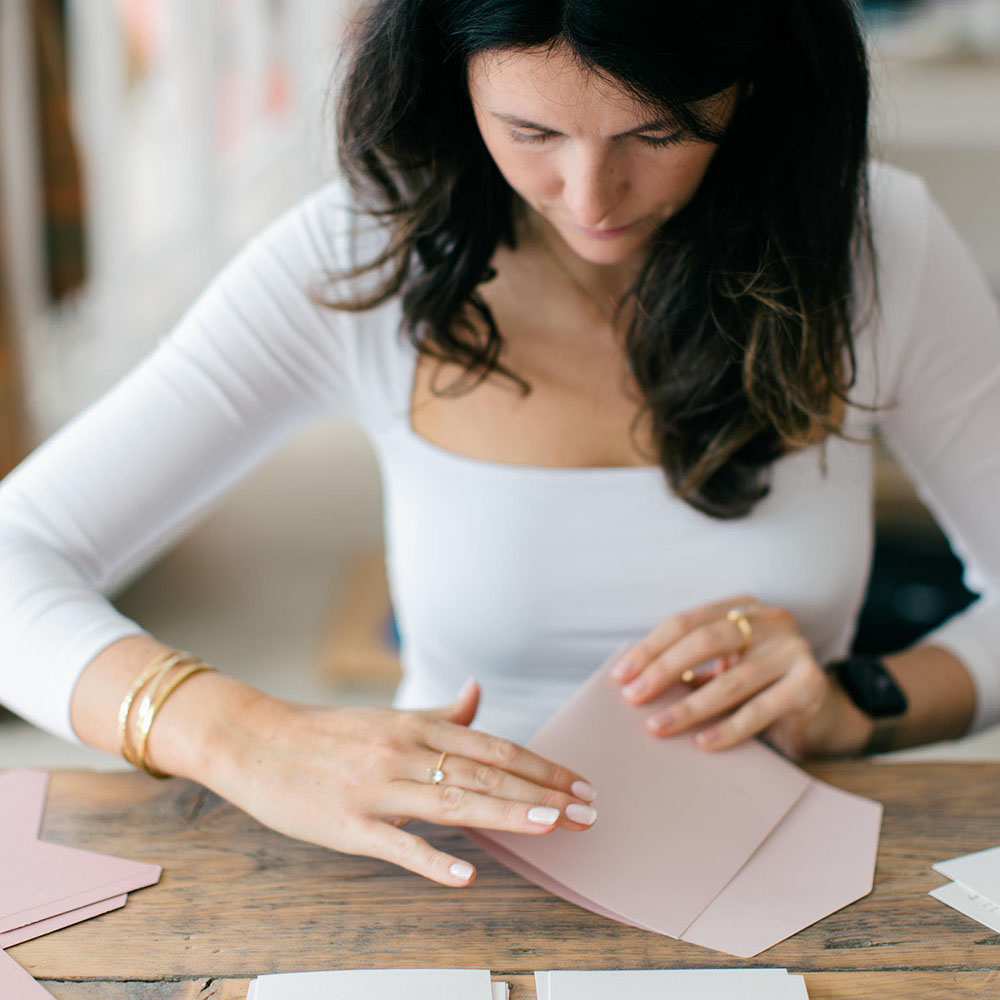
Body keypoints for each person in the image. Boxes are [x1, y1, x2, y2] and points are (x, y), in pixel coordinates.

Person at [1, 0, 999, 889]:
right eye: (531, 131)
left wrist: (862, 696)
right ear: (451, 79)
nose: (591, 195)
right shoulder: (367, 254)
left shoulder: (876, 248)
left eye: (656, 130)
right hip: (440, 878)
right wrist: (239, 736)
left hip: (778, 872)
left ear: (753, 82)